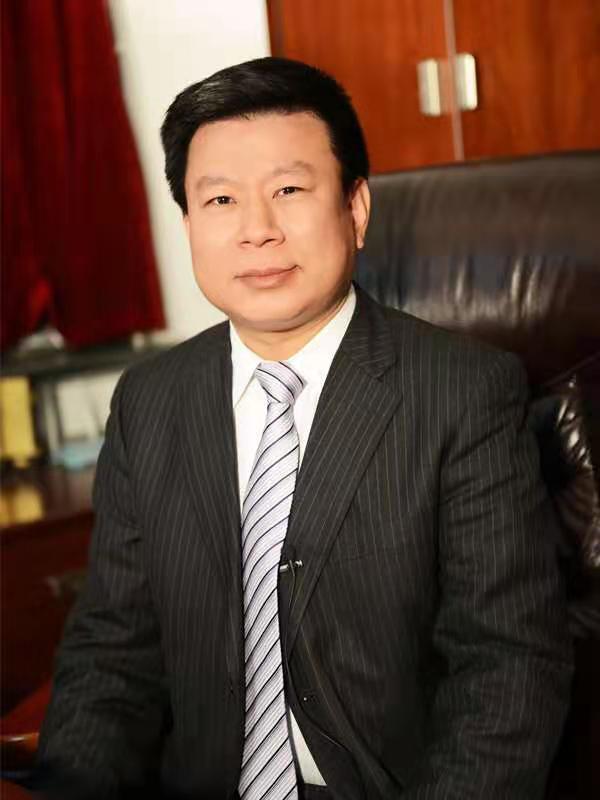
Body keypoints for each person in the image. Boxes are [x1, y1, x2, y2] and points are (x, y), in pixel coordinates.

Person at [35, 57, 572, 800]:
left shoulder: (462, 391)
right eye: (220, 199)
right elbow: (111, 654)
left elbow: (507, 667)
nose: (256, 230)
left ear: (356, 208)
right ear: (188, 224)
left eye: (288, 190)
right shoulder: (149, 401)